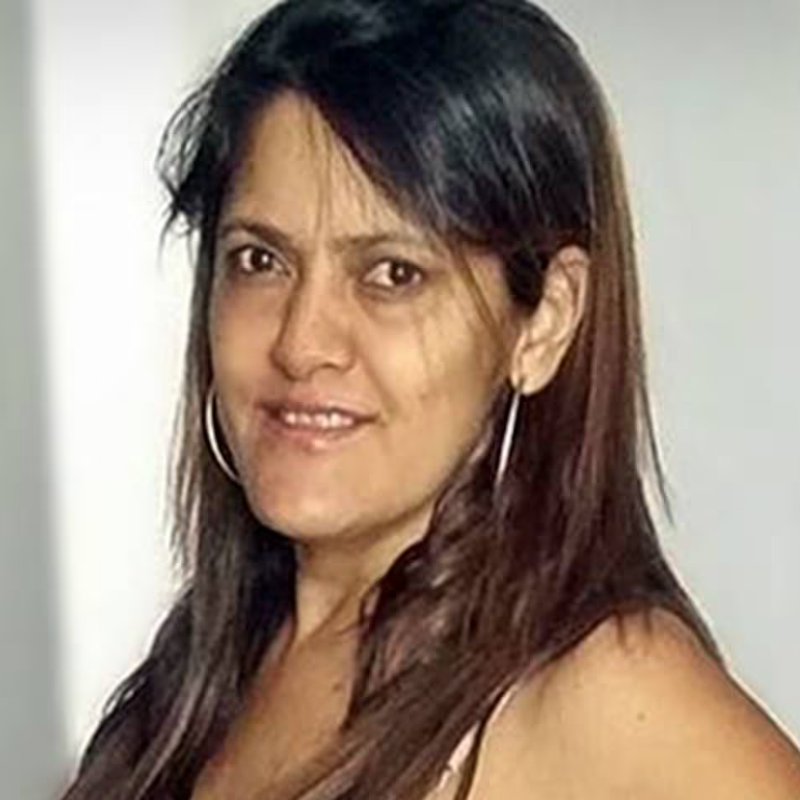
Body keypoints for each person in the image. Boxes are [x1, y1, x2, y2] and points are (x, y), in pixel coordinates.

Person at [60, 1, 800, 799]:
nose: (301, 343)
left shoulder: (598, 691)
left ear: (544, 321)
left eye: (393, 274)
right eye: (260, 260)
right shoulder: (196, 678)